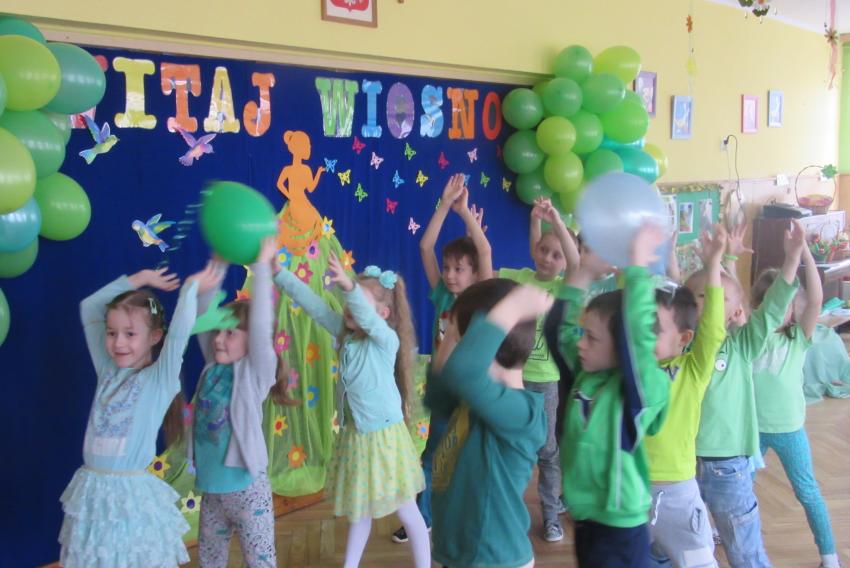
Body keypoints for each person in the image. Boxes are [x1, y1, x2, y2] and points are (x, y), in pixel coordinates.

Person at [59, 262, 221, 567]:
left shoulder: (159, 379)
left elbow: (179, 335)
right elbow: (89, 306)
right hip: (92, 490)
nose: (118, 342)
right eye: (111, 333)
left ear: (155, 336)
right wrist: (141, 279)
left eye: (130, 333)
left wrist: (189, 290)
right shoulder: (108, 370)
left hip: (129, 495)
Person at [274, 253, 429, 568]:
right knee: (359, 511)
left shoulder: (386, 341)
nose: (349, 306)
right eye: (349, 300)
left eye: (358, 302)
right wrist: (278, 272)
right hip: (357, 437)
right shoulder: (346, 337)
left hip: (385, 439)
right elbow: (314, 305)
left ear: (383, 314)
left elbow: (368, 319)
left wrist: (349, 286)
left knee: (407, 510)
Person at [546, 224, 670, 567]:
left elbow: (636, 340)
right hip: (586, 521)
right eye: (582, 334)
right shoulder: (584, 378)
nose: (580, 343)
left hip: (621, 530)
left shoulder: (640, 391)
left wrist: (637, 268)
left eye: (592, 337)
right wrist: (584, 272)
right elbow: (557, 330)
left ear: (620, 347)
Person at [689, 219, 806, 568]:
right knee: (683, 549)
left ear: (736, 311)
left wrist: (792, 259)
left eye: (718, 298)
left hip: (728, 467)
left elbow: (772, 310)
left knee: (745, 552)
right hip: (683, 464)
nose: (709, 302)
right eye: (700, 296)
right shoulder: (679, 347)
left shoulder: (741, 344)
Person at [391, 172, 492, 544]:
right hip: (445, 392)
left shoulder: (481, 298)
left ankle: (473, 519)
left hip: (474, 394)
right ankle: (423, 517)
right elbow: (425, 246)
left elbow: (485, 253)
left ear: (475, 274)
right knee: (431, 457)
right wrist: (445, 204)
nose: (449, 275)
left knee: (472, 459)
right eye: (447, 268)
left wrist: (465, 215)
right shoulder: (443, 297)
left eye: (458, 269)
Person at [426, 278, 549, 568]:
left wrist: (513, 307)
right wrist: (452, 331)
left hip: (495, 559)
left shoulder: (523, 413)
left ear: (485, 346)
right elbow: (437, 394)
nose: (453, 346)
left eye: (460, 341)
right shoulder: (473, 399)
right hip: (461, 553)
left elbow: (462, 372)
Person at [751, 241, 840, 568]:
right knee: (738, 490)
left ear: (793, 308)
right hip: (752, 431)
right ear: (759, 306)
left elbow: (815, 299)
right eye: (770, 304)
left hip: (790, 430)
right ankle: (734, 537)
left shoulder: (798, 338)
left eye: (786, 304)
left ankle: (829, 555)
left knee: (807, 492)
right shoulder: (751, 337)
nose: (779, 311)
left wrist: (804, 253)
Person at [191, 239, 279, 567]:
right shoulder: (212, 367)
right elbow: (204, 314)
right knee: (210, 561)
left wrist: (262, 269)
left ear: (250, 342)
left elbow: (260, 327)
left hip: (248, 491)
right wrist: (217, 264)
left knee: (260, 562)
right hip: (212, 491)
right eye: (219, 332)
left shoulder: (256, 374)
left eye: (230, 334)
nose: (218, 339)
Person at [645, 225, 728, 568]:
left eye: (653, 329)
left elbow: (713, 331)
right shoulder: (631, 367)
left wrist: (713, 266)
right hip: (632, 492)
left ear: (684, 338)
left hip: (678, 494)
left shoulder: (691, 370)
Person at [502, 196, 579, 542]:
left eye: (556, 254)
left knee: (547, 452)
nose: (548, 258)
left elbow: (576, 262)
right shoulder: (519, 277)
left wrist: (557, 222)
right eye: (544, 251)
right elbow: (537, 249)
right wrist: (536, 220)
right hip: (515, 379)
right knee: (515, 449)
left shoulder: (563, 290)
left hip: (546, 382)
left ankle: (550, 516)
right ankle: (512, 514)